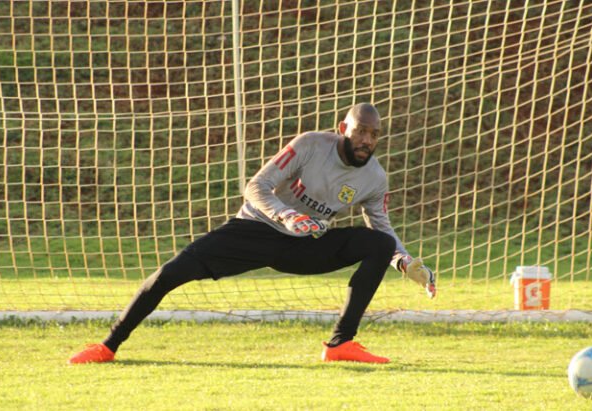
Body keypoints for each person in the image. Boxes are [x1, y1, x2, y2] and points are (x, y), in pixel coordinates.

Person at [69, 103, 436, 365]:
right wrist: (287, 214)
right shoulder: (310, 145)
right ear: (343, 129)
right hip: (256, 230)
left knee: (381, 243)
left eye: (374, 135)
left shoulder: (374, 177)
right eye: (361, 131)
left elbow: (381, 225)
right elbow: (256, 185)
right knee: (170, 274)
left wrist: (404, 262)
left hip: (307, 246)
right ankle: (108, 346)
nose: (367, 140)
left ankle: (340, 344)